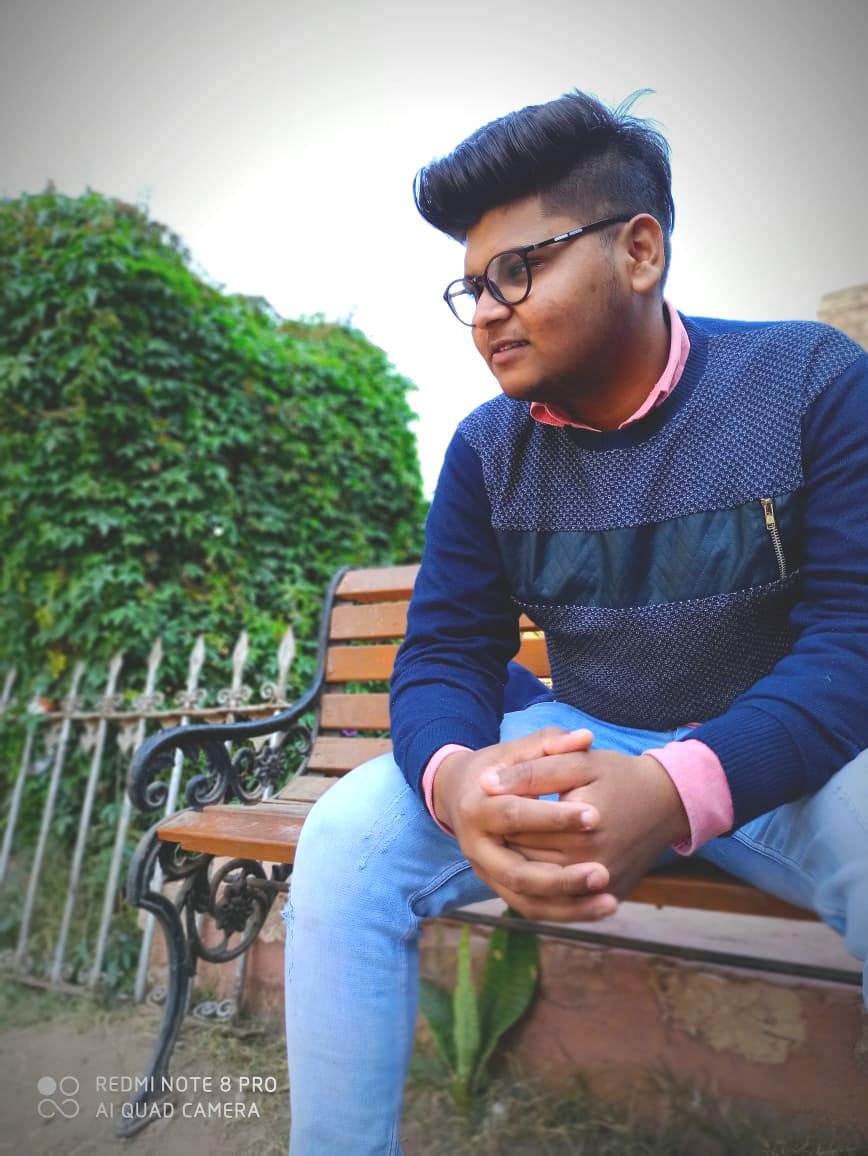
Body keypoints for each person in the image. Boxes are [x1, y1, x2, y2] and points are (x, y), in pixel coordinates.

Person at [283, 89, 868, 1154]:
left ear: (639, 250)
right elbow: (446, 652)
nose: (487, 309)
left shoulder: (808, 382)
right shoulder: (485, 450)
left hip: (786, 764)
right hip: (588, 738)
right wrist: (456, 778)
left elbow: (854, 639)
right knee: (348, 839)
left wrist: (676, 786)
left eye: (519, 269)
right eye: (472, 286)